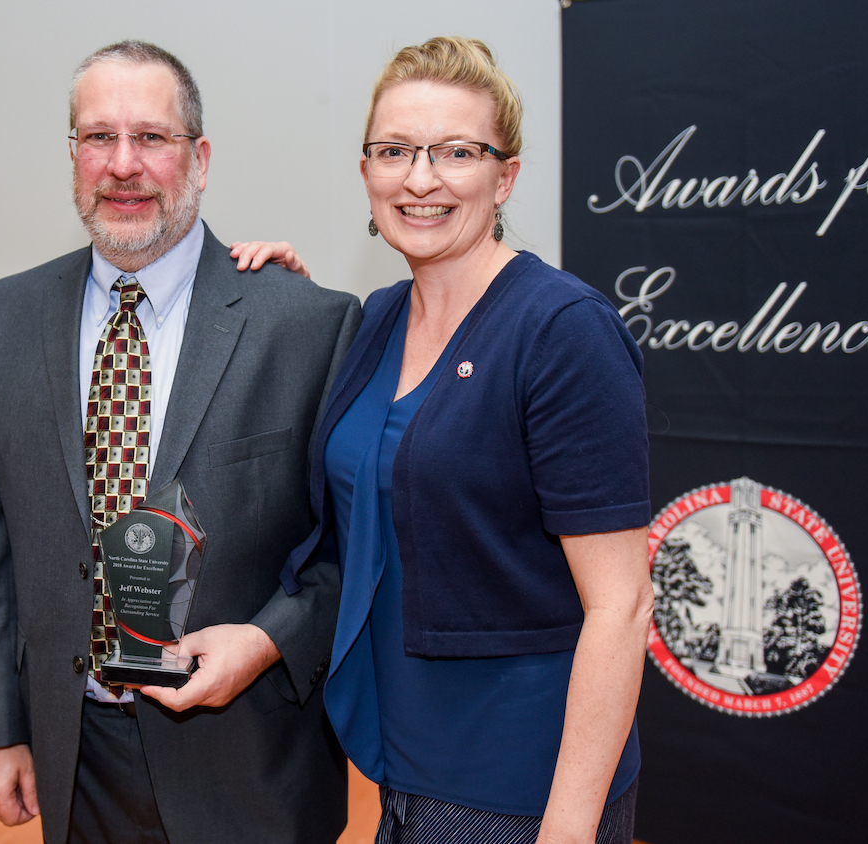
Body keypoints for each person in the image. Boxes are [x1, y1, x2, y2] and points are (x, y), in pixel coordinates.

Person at [0, 40, 360, 844]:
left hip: (249, 759)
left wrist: (268, 640)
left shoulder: (306, 325)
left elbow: (349, 548)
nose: (122, 164)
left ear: (199, 159)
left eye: (152, 138)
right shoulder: (10, 314)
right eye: (98, 138)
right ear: (74, 157)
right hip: (76, 752)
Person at [280, 36, 654, 844]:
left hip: (521, 789)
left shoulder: (562, 331)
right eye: (394, 152)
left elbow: (621, 606)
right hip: (403, 769)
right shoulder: (376, 318)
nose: (420, 179)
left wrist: (569, 827)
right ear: (366, 170)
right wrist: (269, 299)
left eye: (456, 151)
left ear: (504, 175)